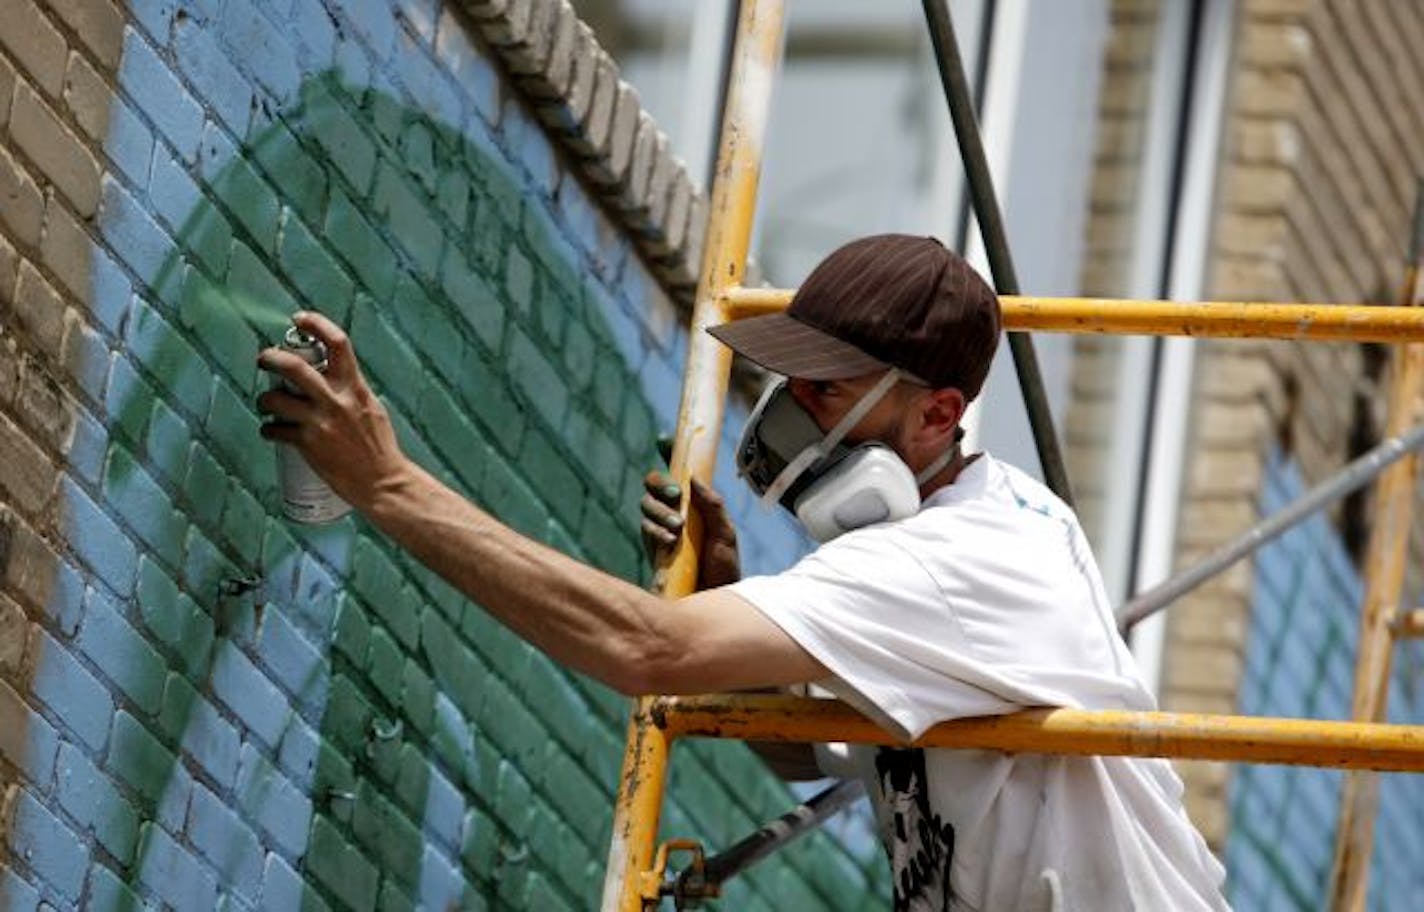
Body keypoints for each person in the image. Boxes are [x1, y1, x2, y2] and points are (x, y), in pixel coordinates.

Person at [258, 234, 1228, 911]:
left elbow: (644, 649)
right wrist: (729, 593)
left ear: (935, 415)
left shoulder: (961, 558)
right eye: (789, 385)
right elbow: (811, 755)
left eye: (826, 390)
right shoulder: (984, 522)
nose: (791, 415)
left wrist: (385, 483)